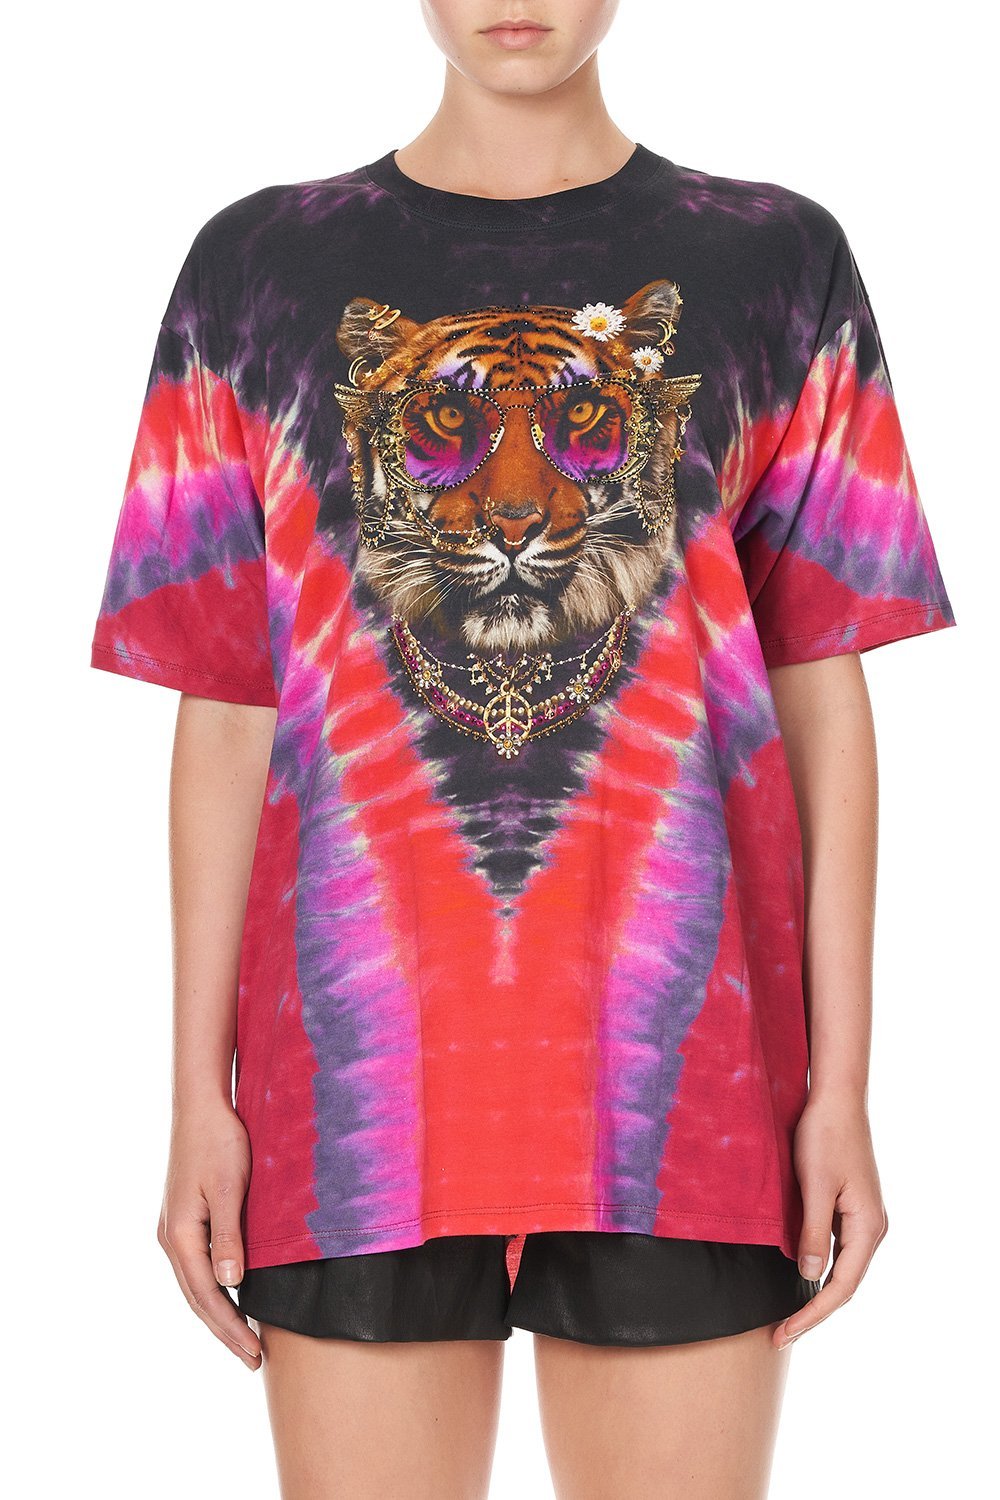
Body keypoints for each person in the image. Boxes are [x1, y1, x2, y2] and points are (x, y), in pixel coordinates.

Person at [89, 2, 956, 1495]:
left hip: (685, 1073)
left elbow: (819, 690)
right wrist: (196, 1102)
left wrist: (841, 1091)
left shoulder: (776, 256)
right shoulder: (258, 266)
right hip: (355, 1076)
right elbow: (230, 701)